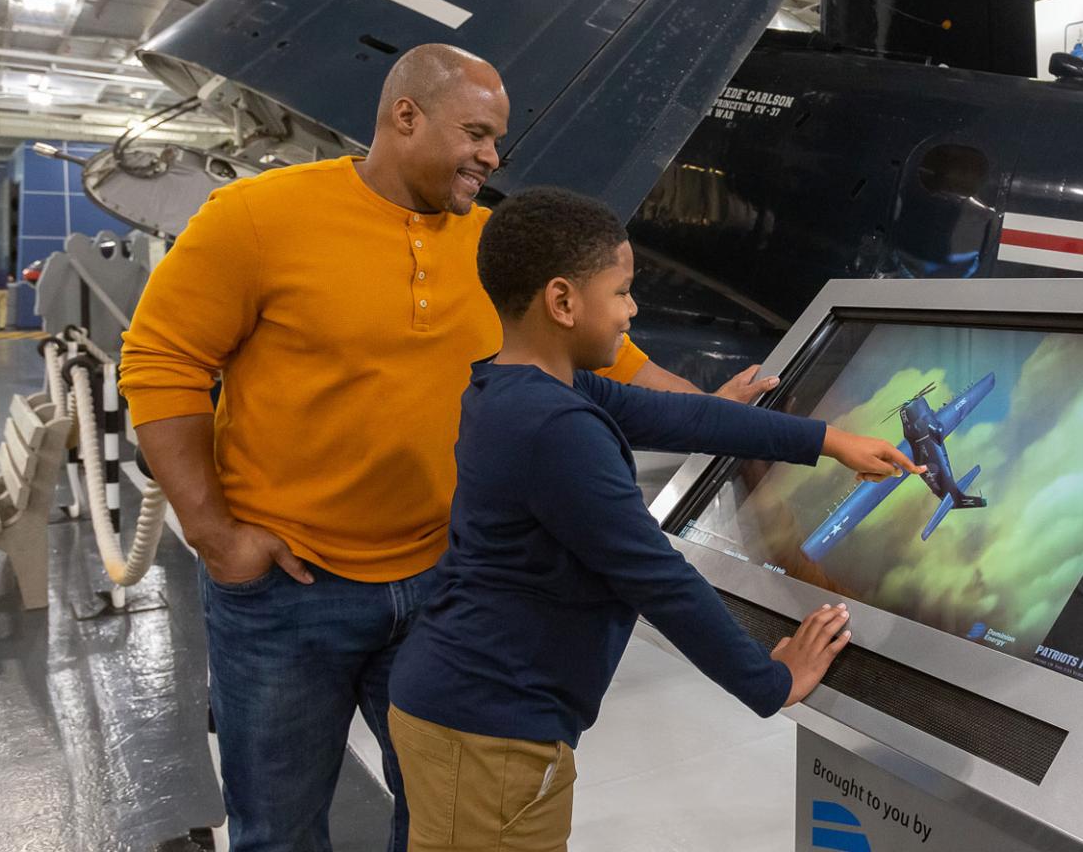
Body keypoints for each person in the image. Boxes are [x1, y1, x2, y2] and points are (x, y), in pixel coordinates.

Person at [119, 44, 775, 852]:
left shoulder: (495, 247)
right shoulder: (256, 219)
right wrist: (215, 536)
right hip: (287, 595)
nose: (492, 157)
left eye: (498, 140)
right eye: (476, 133)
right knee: (277, 833)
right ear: (405, 117)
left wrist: (720, 414)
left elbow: (617, 365)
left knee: (440, 821)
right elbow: (161, 364)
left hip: (442, 592)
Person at [387, 188, 920, 852]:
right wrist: (771, 681)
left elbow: (689, 417)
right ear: (562, 302)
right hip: (494, 732)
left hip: (456, 703)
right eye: (622, 292)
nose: (632, 311)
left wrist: (827, 442)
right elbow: (656, 577)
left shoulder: (528, 387)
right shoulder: (555, 428)